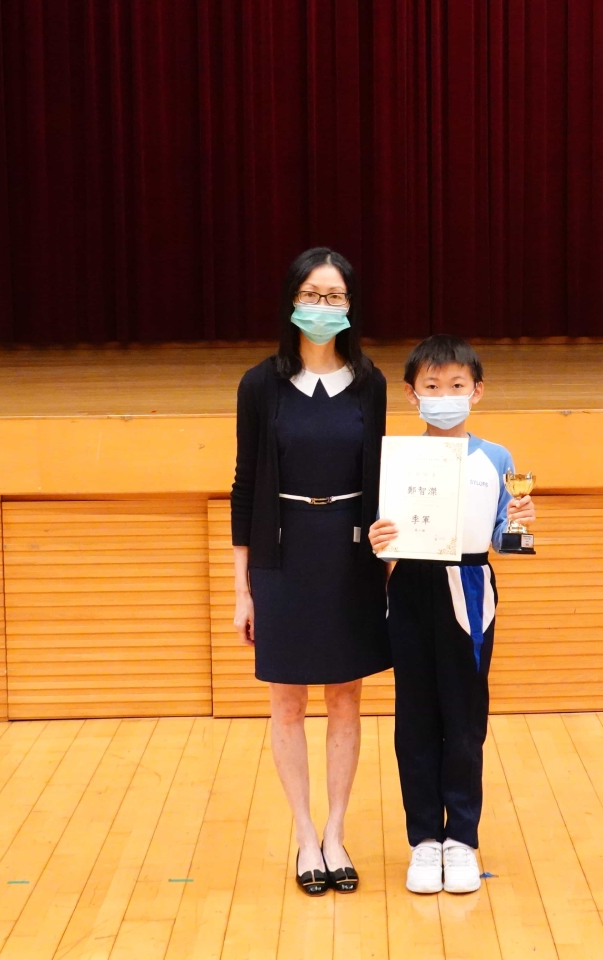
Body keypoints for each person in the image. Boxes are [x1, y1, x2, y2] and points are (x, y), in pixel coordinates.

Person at [231, 247, 391, 897]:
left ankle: (336, 833)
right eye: (312, 295)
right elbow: (244, 487)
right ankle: (303, 837)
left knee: (346, 695)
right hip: (282, 553)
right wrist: (242, 588)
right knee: (287, 700)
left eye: (335, 297)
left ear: (350, 307)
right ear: (292, 301)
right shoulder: (259, 385)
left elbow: (382, 474)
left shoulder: (371, 383)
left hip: (350, 552)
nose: (322, 307)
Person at [367, 334, 536, 895]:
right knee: (415, 715)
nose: (444, 396)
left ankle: (461, 838)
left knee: (464, 717)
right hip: (411, 584)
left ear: (477, 391)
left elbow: (503, 537)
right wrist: (378, 543)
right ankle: (423, 840)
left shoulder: (497, 459)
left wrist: (518, 523)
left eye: (456, 385)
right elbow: (382, 538)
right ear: (412, 394)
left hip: (470, 585)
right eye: (432, 386)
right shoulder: (397, 459)